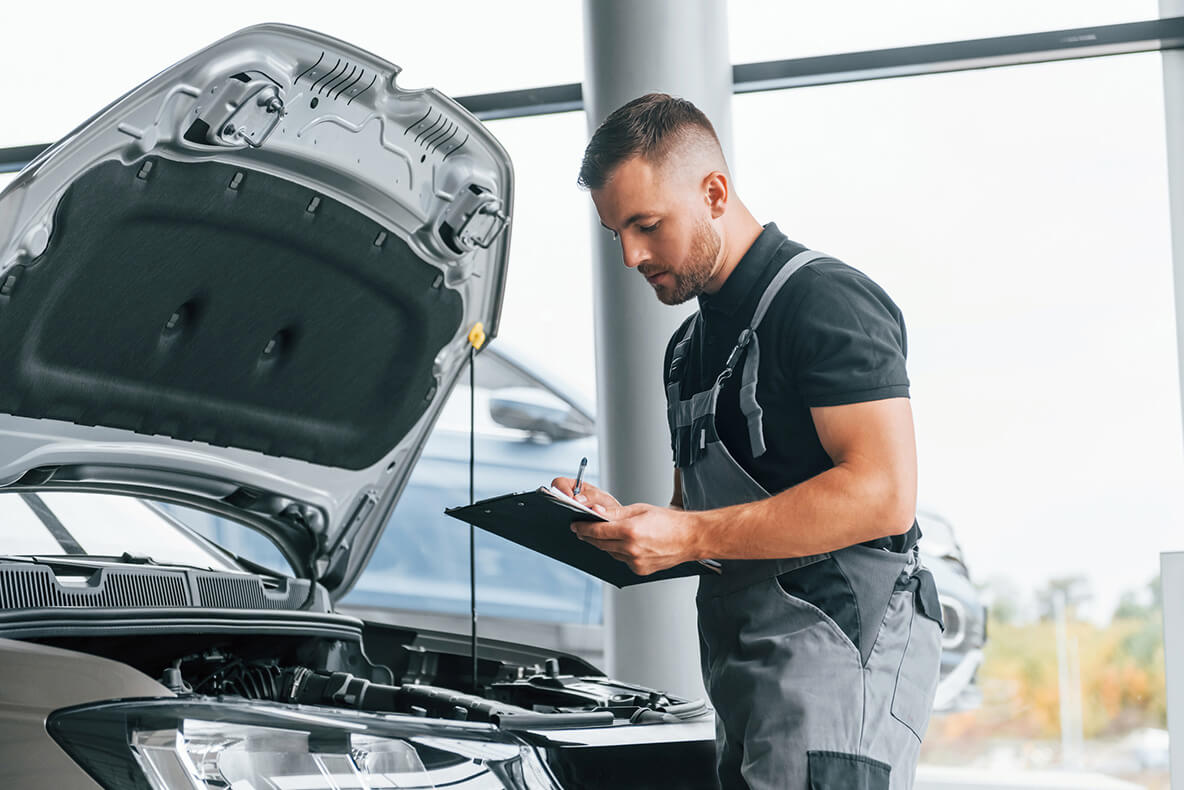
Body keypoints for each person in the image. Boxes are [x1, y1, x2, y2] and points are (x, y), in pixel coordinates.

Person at [551, 93, 943, 790]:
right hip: (745, 669)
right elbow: (700, 518)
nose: (632, 255)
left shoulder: (824, 303)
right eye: (616, 234)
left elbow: (883, 495)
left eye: (646, 225)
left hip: (838, 652)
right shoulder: (686, 351)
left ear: (713, 191)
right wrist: (626, 525)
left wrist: (691, 535)